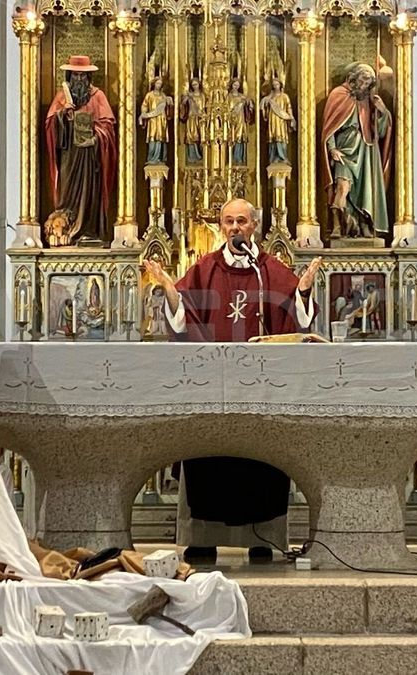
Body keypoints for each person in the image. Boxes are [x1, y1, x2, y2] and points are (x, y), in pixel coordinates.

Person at [143, 198, 322, 563]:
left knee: (261, 465)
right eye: (228, 222)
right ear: (221, 227)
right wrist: (169, 290)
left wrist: (302, 291)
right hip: (213, 385)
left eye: (241, 221)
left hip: (261, 389)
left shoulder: (270, 271)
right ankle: (203, 539)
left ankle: (264, 539)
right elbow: (183, 320)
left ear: (254, 225)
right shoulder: (204, 269)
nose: (235, 227)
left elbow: (296, 324)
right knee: (210, 460)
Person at [44, 54, 117, 245]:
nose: (78, 80)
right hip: (69, 155)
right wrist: (63, 115)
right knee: (67, 193)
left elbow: (108, 127)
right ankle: (66, 227)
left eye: (82, 76)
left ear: (88, 78)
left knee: (89, 194)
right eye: (75, 76)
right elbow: (50, 126)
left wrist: (95, 138)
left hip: (91, 158)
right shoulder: (62, 97)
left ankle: (89, 230)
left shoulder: (97, 96)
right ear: (69, 77)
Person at [322, 62, 393, 239]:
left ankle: (363, 224)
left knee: (365, 190)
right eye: (363, 80)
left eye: (369, 83)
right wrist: (332, 149)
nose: (365, 85)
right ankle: (338, 225)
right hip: (344, 149)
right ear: (353, 78)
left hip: (364, 149)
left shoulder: (367, 100)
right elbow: (329, 127)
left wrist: (383, 112)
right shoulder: (338, 95)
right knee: (342, 187)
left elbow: (380, 130)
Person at [259, 78, 296, 165]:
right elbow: (263, 107)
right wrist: (265, 105)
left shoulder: (284, 96)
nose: (276, 86)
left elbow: (288, 107)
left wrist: (291, 116)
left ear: (280, 85)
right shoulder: (270, 97)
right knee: (273, 138)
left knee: (280, 137)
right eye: (274, 85)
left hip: (281, 121)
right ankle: (273, 158)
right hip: (272, 120)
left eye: (277, 84)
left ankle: (282, 157)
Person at [139, 76, 173, 165]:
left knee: (160, 139)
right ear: (154, 84)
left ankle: (159, 158)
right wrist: (144, 113)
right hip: (153, 120)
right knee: (152, 139)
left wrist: (169, 103)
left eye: (160, 84)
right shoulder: (149, 95)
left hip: (161, 119)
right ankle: (151, 158)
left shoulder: (163, 95)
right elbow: (144, 105)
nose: (159, 85)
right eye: (157, 83)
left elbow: (168, 108)